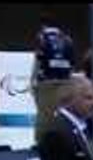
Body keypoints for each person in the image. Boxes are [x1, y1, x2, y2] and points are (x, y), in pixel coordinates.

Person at [31, 16, 76, 145]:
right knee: (62, 114)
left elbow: (38, 60)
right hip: (64, 81)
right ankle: (63, 141)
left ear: (43, 26)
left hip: (47, 82)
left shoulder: (42, 37)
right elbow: (72, 64)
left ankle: (41, 142)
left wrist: (32, 79)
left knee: (44, 114)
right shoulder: (68, 40)